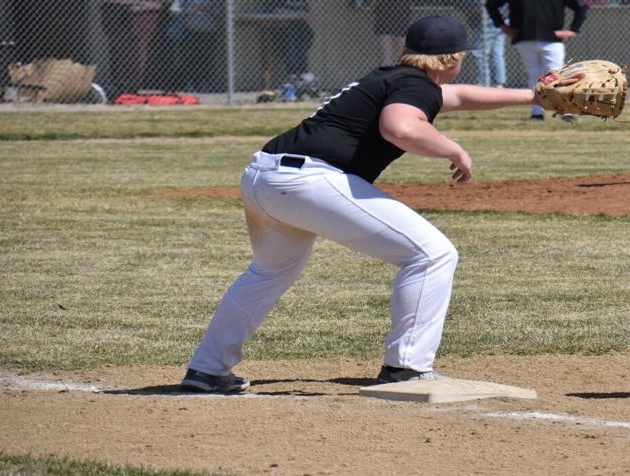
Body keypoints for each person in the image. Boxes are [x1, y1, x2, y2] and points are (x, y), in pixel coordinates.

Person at [180, 16, 542, 393]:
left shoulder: (392, 77)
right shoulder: (416, 87)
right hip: (309, 181)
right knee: (432, 255)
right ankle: (407, 367)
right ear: (454, 59)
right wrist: (454, 149)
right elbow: (399, 128)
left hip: (265, 175)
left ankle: (206, 370)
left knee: (268, 273)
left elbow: (460, 97)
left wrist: (534, 96)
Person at [488, 0, 586, 120]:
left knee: (556, 75)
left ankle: (564, 110)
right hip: (524, 38)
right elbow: (491, 5)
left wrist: (574, 29)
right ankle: (537, 113)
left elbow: (581, 6)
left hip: (551, 39)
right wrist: (502, 26)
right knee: (534, 75)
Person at [101, 0, 167, 97]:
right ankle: (122, 83)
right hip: (121, 8)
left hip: (144, 9)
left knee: (139, 47)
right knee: (120, 48)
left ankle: (133, 85)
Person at [470, 0, 509, 87]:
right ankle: (499, 83)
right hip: (502, 20)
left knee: (480, 53)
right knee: (497, 54)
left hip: (487, 20)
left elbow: (478, 4)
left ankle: (484, 82)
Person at [374, 0, 414, 65]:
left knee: (402, 40)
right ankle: (388, 64)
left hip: (400, 7)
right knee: (385, 36)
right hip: (384, 7)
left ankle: (402, 65)